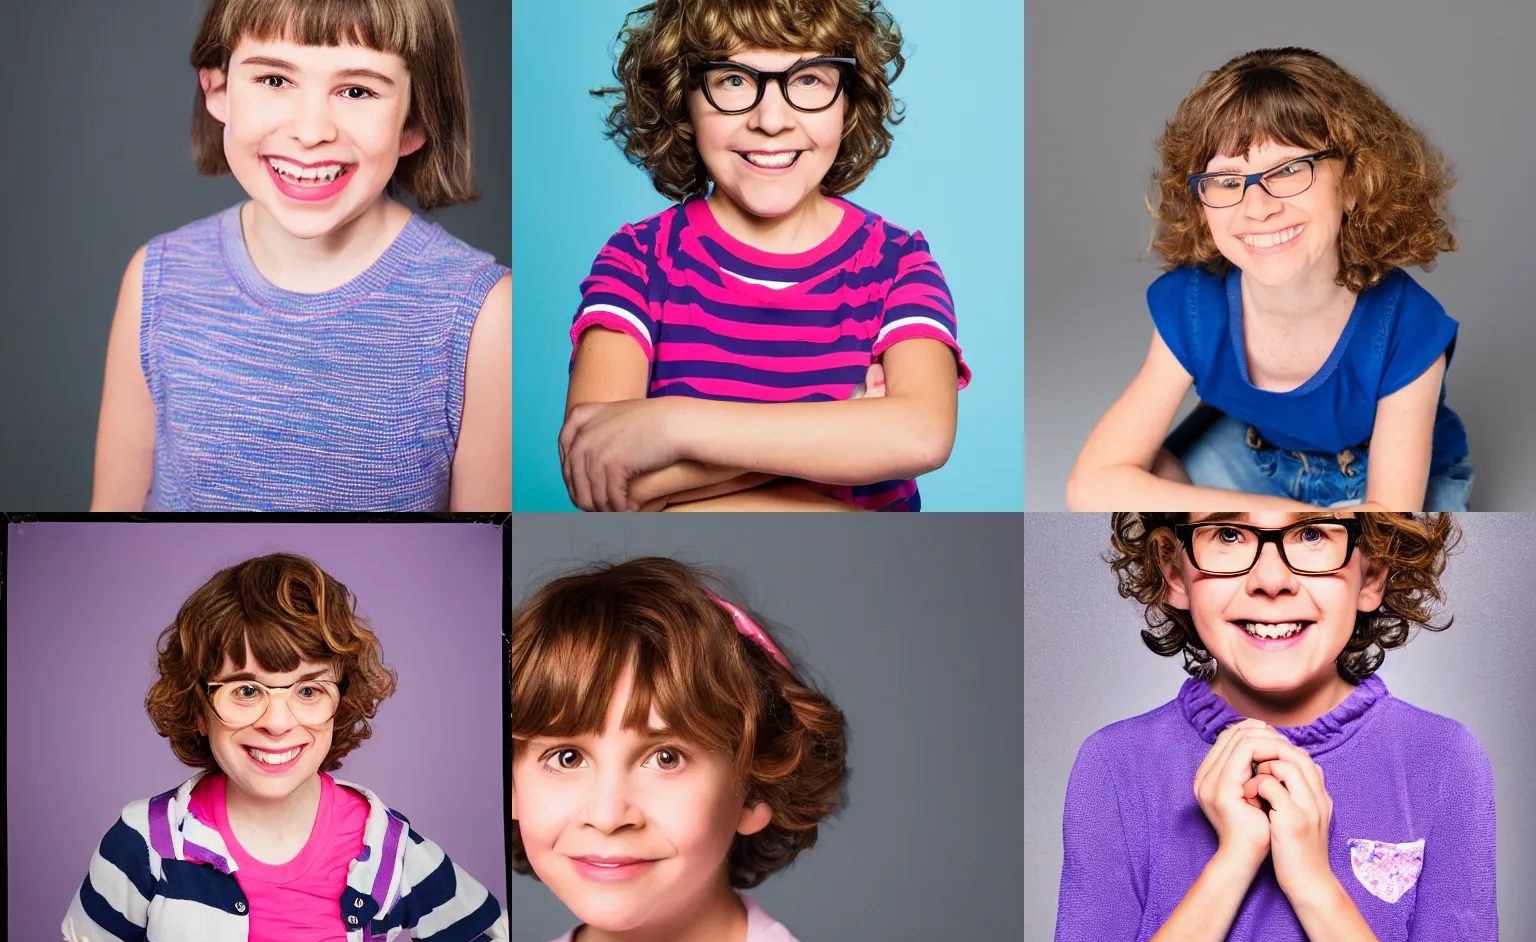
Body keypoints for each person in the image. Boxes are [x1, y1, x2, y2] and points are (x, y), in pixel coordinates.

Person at [1031, 511, 1496, 942]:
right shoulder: (1115, 764)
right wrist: (1234, 859)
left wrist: (1312, 881)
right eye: (1228, 534)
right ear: (1173, 572)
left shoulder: (1445, 758)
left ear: (1372, 575)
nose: (1271, 580)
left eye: (1313, 533)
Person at [91, 0, 509, 512]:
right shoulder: (157, 279)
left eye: (356, 90)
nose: (311, 131)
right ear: (218, 89)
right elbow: (111, 516)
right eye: (274, 80)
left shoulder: (483, 316)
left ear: (414, 122)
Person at [61, 552, 507, 942]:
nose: (277, 722)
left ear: (341, 703)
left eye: (308, 691)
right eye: (246, 690)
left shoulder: (382, 843)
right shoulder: (145, 838)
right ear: (198, 706)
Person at [559, 0, 968, 511]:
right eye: (732, 80)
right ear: (681, 97)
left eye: (809, 80)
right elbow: (608, 478)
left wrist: (673, 424)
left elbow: (921, 436)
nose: (771, 120)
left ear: (849, 99)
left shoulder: (898, 263)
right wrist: (844, 426)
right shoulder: (639, 260)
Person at [1067, 47, 1470, 513]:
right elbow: (1091, 484)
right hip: (1255, 459)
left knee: (1391, 556)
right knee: (1142, 505)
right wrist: (1274, 516)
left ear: (1357, 182)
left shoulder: (1406, 323)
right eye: (1226, 180)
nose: (1257, 207)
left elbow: (1390, 509)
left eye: (1288, 170)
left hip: (1381, 480)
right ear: (1200, 202)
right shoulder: (1196, 304)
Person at [512, 557, 871, 942]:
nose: (607, 814)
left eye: (665, 758)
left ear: (755, 787)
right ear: (512, 787)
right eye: (567, 758)